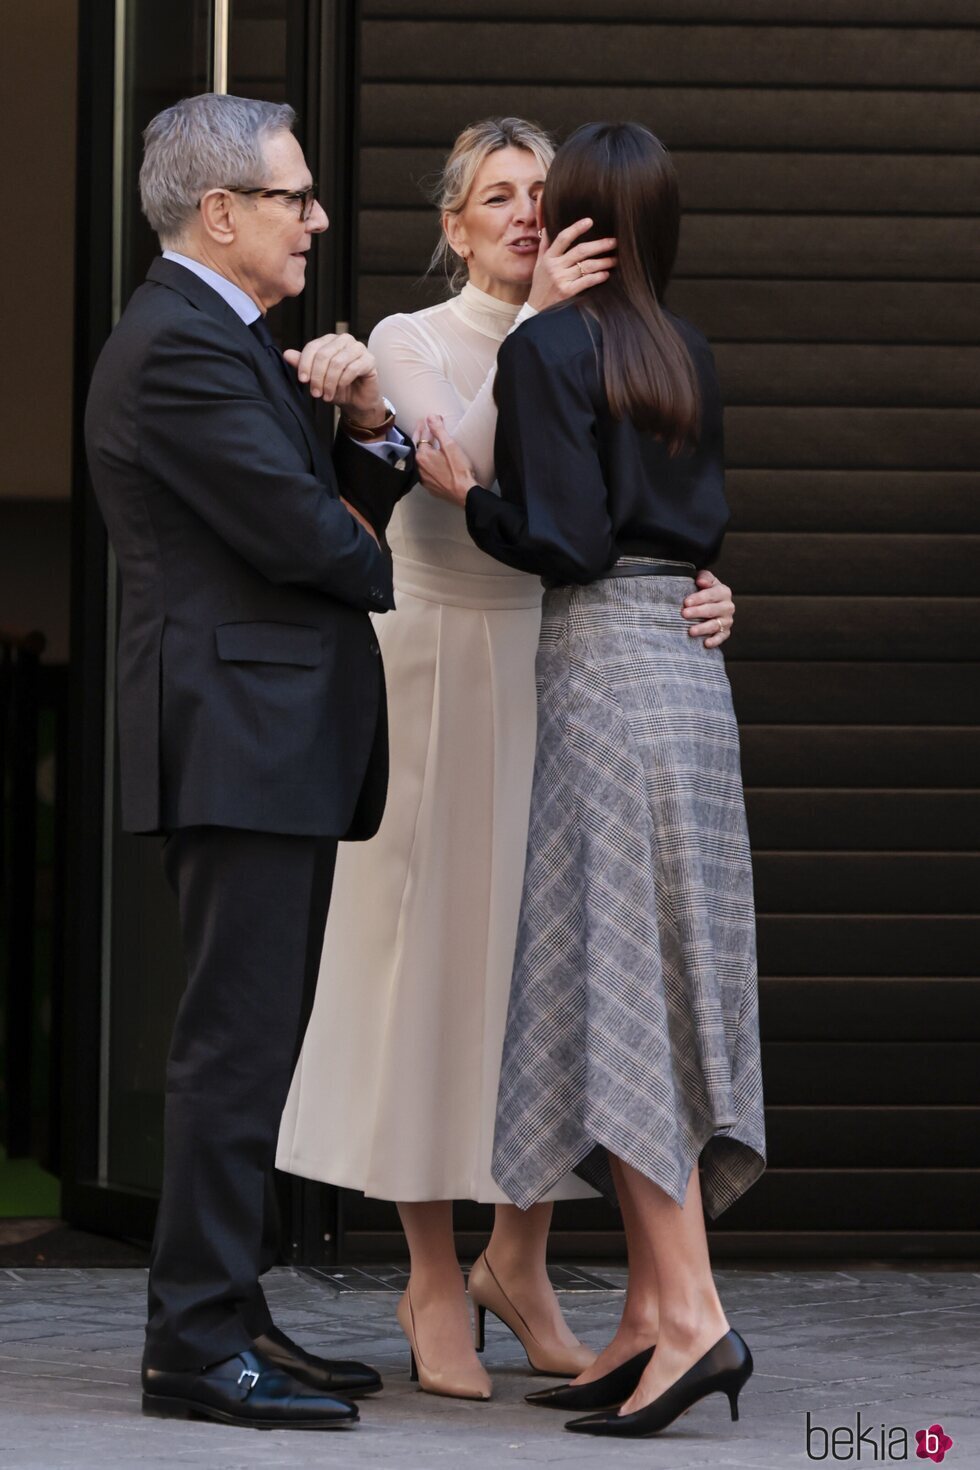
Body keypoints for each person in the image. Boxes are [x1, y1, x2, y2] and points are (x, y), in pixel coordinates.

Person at [277, 117, 738, 1400]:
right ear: (454, 221)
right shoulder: (410, 342)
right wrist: (534, 316)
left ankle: (516, 1261)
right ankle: (431, 1273)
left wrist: (703, 588)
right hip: (436, 674)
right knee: (422, 973)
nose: (526, 213)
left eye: (542, 193)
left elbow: (632, 505)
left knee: (536, 984)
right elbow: (464, 469)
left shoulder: (605, 337)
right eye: (497, 195)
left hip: (561, 669)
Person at [416, 120, 766, 1439]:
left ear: (574, 217)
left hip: (603, 677)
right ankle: (647, 1316)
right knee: (660, 982)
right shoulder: (688, 350)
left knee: (619, 984)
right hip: (688, 675)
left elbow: (561, 541)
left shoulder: (555, 345)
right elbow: (692, 528)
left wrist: (468, 498)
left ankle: (689, 1320)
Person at [84, 92, 415, 1431]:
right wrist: (360, 527)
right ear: (220, 211)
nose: (317, 219)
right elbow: (311, 542)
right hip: (239, 735)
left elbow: (326, 509)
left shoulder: (231, 343)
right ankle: (194, 1343)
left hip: (264, 735)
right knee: (232, 1046)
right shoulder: (178, 349)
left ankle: (231, 1311)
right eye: (297, 197)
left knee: (253, 1040)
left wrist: (367, 428)